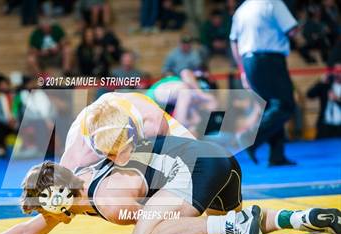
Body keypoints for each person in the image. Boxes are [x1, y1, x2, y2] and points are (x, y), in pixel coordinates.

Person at [0, 139, 341, 234]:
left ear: (57, 196)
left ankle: (235, 225)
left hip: (199, 166)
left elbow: (160, 218)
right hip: (214, 163)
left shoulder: (110, 197)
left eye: (42, 204)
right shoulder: (81, 188)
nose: (42, 214)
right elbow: (28, 233)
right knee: (209, 221)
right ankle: (302, 217)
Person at [230, 0, 298, 166]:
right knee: (285, 105)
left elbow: (234, 41)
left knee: (270, 106)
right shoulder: (273, 3)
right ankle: (252, 137)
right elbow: (292, 30)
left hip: (248, 60)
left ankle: (276, 155)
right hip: (269, 59)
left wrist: (242, 70)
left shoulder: (242, 9)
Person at [60, 92, 194, 170]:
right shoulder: (79, 153)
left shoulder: (153, 124)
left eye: (122, 151)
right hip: (94, 126)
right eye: (111, 155)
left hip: (139, 112)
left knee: (197, 161)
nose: (119, 160)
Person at [146, 69, 217, 137]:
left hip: (159, 100)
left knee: (195, 118)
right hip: (155, 95)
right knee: (186, 91)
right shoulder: (176, 82)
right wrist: (200, 93)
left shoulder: (191, 102)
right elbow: (185, 72)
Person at [306, 63, 341, 138]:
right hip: (325, 126)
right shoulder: (326, 86)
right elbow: (310, 95)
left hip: (339, 127)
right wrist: (320, 82)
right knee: (320, 148)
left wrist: (337, 99)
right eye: (336, 71)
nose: (338, 74)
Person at [0, 74, 17, 158]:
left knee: (26, 123)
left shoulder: (16, 96)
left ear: (8, 84)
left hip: (16, 123)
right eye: (1, 85)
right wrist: (7, 121)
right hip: (5, 125)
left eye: (4, 84)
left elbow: (21, 111)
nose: (3, 86)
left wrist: (15, 121)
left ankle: (28, 148)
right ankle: (1, 149)